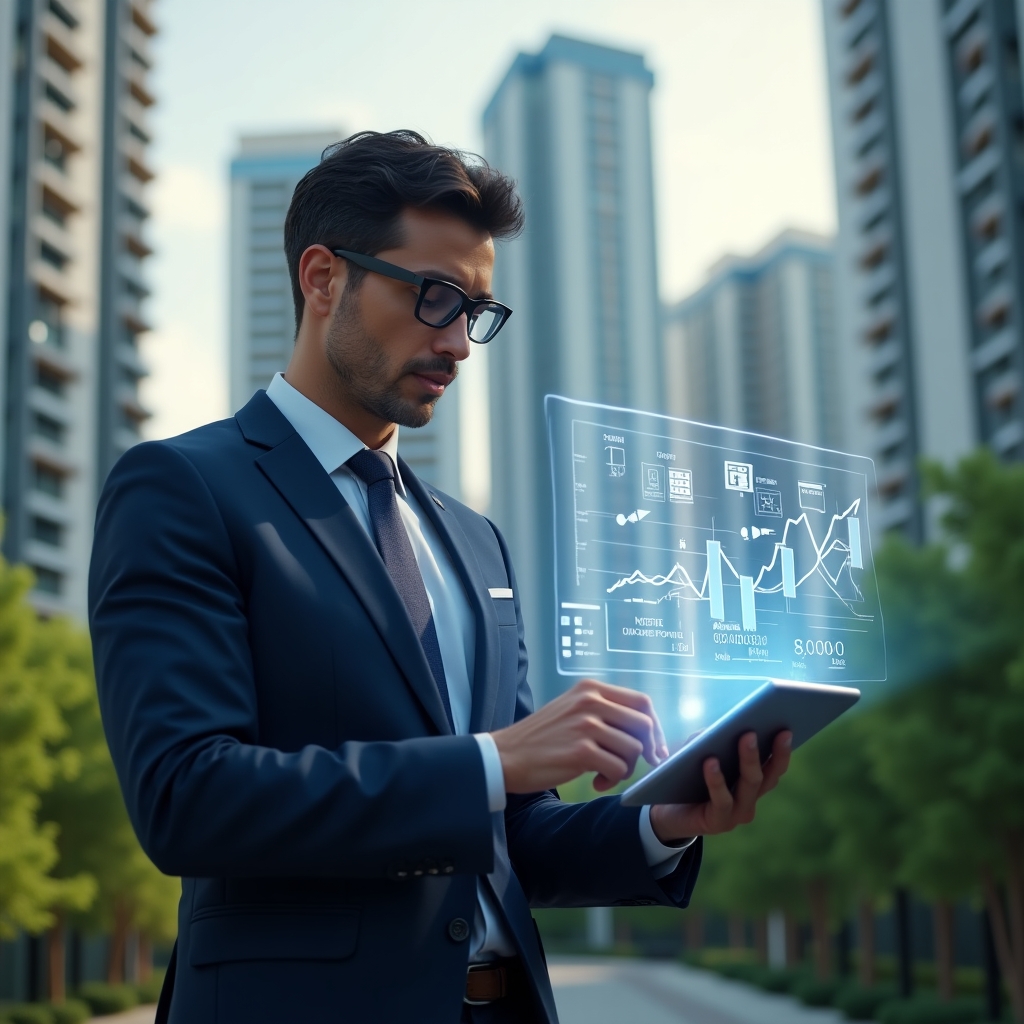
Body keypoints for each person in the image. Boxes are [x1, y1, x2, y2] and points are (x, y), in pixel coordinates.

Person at [89, 130, 791, 1024]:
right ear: (321, 278)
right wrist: (491, 761)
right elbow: (186, 796)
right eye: (434, 298)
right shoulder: (185, 488)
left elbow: (508, 832)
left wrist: (661, 822)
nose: (459, 342)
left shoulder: (474, 540)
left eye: (477, 311)